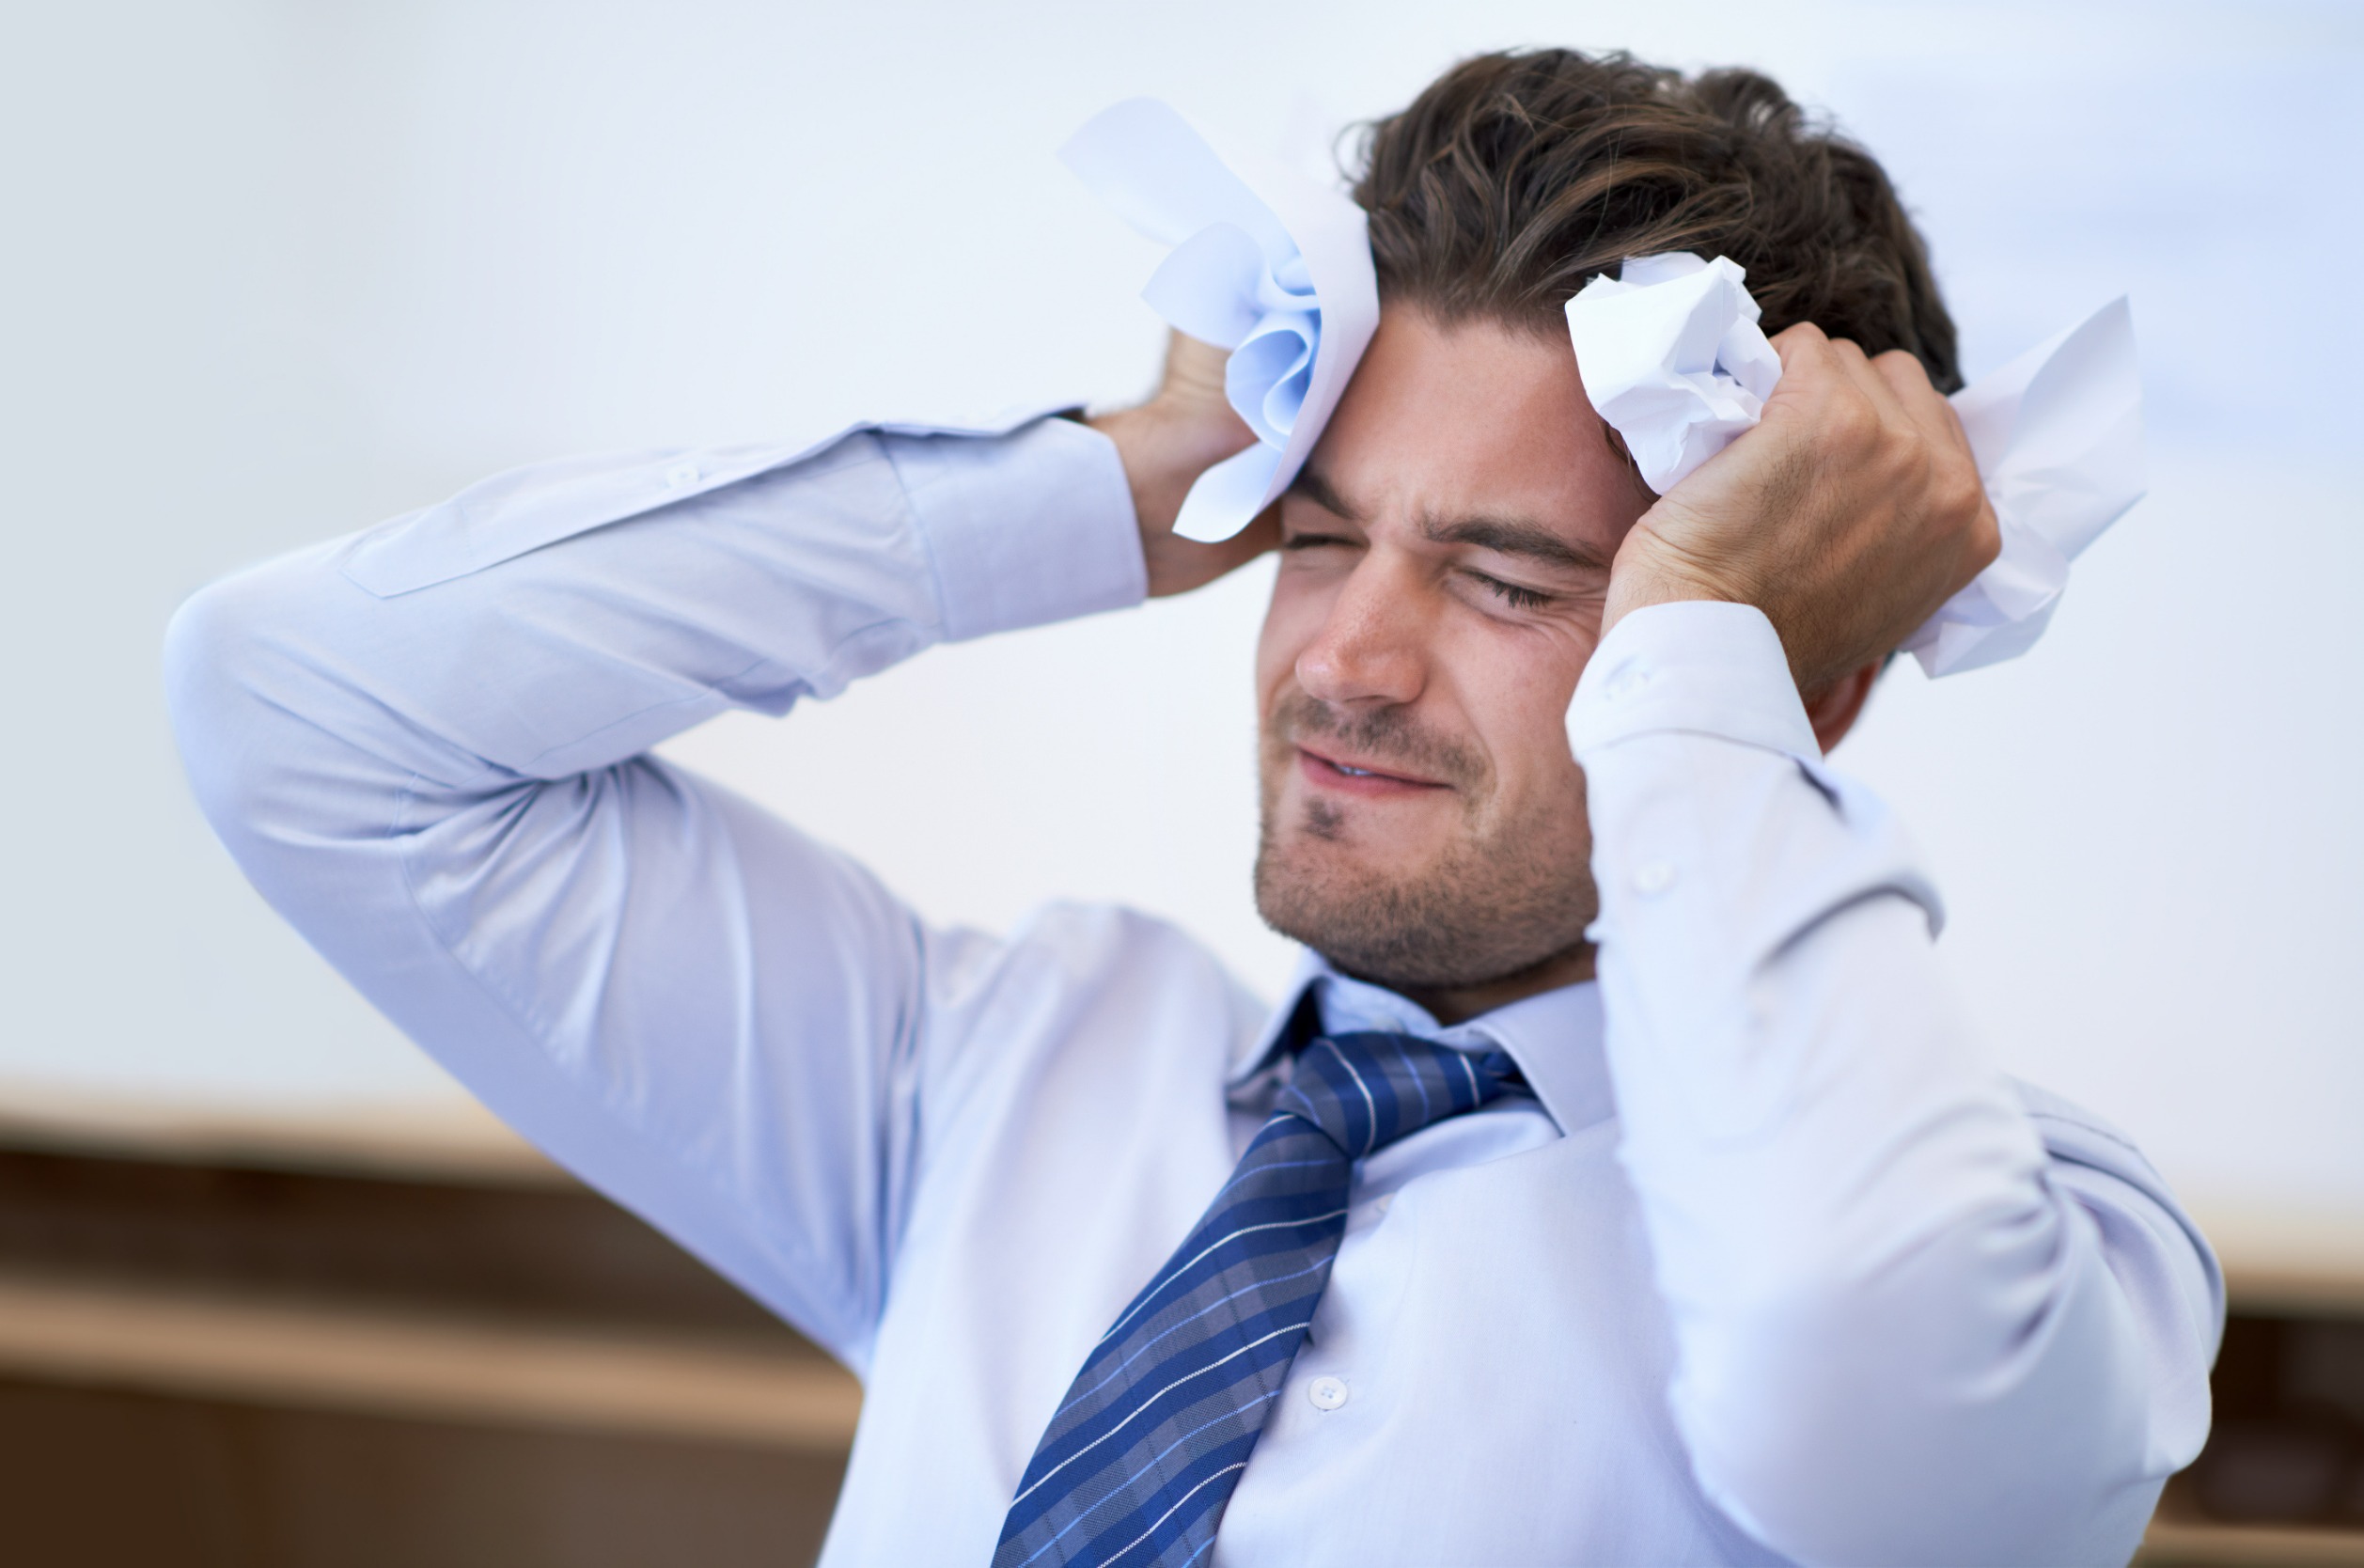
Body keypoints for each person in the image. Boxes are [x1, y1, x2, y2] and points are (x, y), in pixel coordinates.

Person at [164, 48, 2217, 1568]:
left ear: (1803, 657)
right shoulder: (991, 1071)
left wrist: (1710, 663)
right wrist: (1121, 480)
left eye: (1513, 579)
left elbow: (1858, 1388)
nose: (1346, 660)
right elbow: (308, 717)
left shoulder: (2043, 1250)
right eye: (1314, 540)